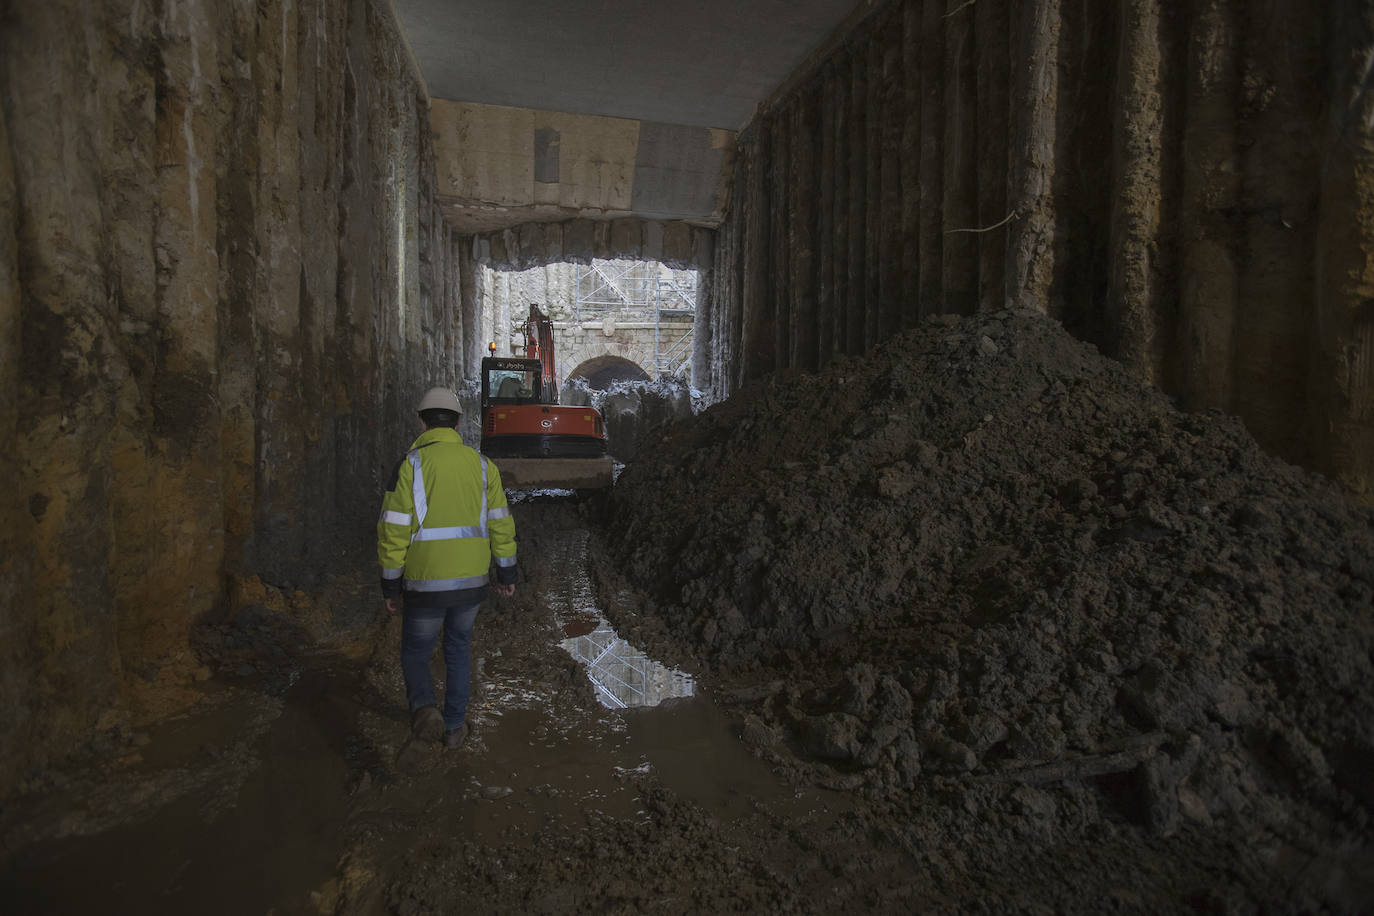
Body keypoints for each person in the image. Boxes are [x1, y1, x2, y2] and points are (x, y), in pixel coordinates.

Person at [377, 386, 517, 749]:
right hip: (471, 584)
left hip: (425, 584)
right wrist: (506, 573)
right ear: (457, 423)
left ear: (423, 422)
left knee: (417, 651)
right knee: (458, 649)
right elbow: (501, 523)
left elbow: (392, 530)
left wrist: (390, 585)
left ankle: (425, 711)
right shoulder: (484, 466)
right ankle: (455, 728)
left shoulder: (410, 466)